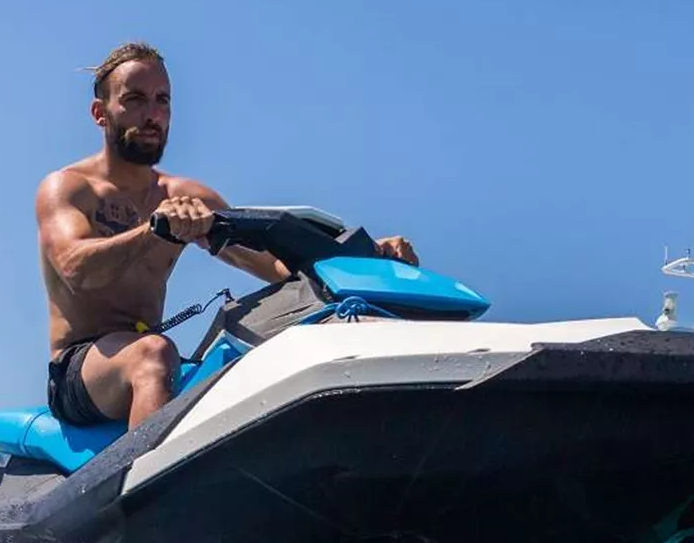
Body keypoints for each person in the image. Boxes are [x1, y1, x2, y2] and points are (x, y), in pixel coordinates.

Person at [36, 42, 418, 429]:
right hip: (80, 367)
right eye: (135, 99)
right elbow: (76, 270)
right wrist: (153, 231)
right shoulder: (69, 188)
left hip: (149, 351)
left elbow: (276, 268)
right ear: (100, 113)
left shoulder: (184, 196)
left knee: (250, 346)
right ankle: (147, 470)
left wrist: (368, 258)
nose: (152, 114)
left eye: (162, 100)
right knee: (153, 355)